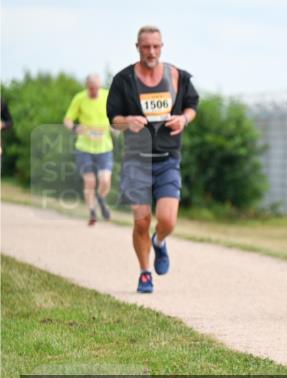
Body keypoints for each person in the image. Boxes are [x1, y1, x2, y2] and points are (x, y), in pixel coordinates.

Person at [107, 25, 199, 293]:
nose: (151, 51)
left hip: (167, 158)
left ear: (162, 47)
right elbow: (113, 118)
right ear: (137, 47)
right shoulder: (123, 80)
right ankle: (145, 272)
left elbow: (192, 105)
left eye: (156, 46)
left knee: (168, 220)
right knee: (141, 220)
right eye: (146, 47)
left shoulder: (177, 76)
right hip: (136, 160)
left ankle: (159, 242)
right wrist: (127, 121)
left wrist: (183, 118)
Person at [64, 74, 114, 225]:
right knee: (90, 182)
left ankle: (101, 198)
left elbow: (117, 115)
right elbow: (67, 120)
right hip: (84, 147)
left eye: (97, 88)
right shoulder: (79, 98)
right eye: (91, 89)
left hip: (104, 147)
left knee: (105, 180)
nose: (94, 91)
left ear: (100, 87)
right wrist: (74, 128)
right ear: (87, 87)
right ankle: (92, 211)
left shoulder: (107, 96)